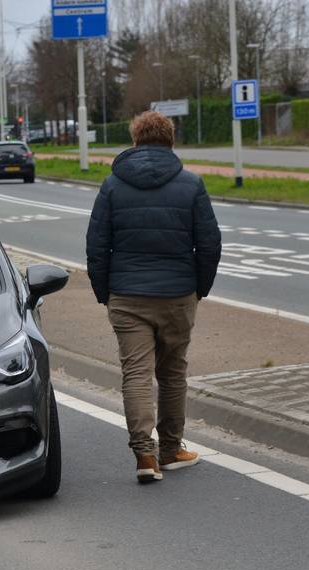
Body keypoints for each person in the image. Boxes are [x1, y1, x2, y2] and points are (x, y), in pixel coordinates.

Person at [85, 111, 221, 484]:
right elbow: (209, 244)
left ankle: (144, 455)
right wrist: (199, 289)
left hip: (127, 296)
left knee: (137, 374)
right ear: (170, 140)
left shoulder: (112, 185)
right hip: (178, 294)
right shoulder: (191, 184)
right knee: (173, 371)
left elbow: (97, 246)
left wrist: (105, 293)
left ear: (135, 140)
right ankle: (171, 448)